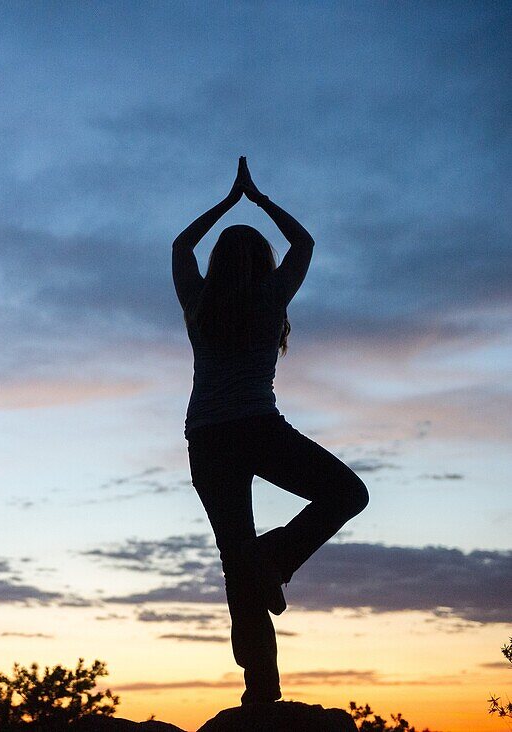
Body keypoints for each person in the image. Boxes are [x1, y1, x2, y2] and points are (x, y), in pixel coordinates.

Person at [171, 157, 369, 705]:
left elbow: (179, 249)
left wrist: (224, 204)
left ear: (218, 261)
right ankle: (273, 561)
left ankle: (262, 686)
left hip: (209, 439)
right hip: (257, 428)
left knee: (239, 561)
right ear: (262, 261)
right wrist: (255, 199)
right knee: (348, 494)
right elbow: (303, 244)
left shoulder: (198, 303)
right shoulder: (269, 297)